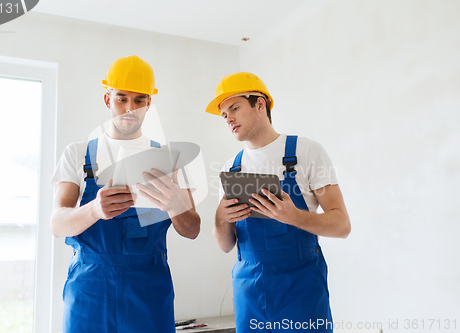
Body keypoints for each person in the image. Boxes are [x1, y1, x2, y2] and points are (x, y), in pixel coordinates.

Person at [51, 55, 201, 333]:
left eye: (139, 100)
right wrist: (93, 210)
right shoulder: (78, 153)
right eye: (121, 98)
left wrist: (174, 205)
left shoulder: (169, 159)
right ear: (107, 99)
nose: (130, 108)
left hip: (149, 289)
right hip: (89, 286)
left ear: (149, 104)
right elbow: (57, 224)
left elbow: (192, 229)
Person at [207, 72, 351, 332]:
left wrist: (295, 217)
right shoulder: (232, 169)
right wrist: (220, 218)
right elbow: (225, 246)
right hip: (249, 293)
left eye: (234, 108)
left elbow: (342, 225)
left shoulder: (305, 151)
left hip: (301, 291)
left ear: (260, 104)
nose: (228, 118)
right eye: (224, 114)